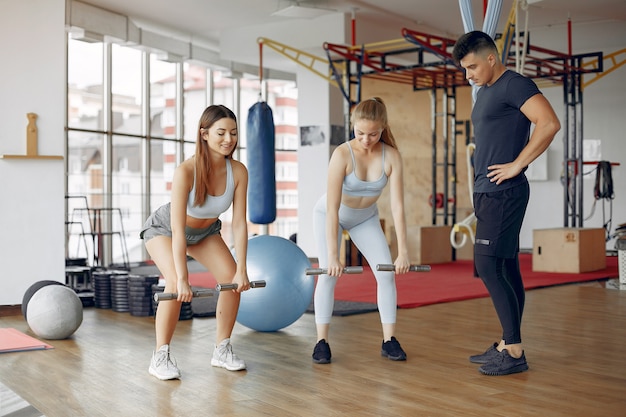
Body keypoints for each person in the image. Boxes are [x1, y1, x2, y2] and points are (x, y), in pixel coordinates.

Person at [451, 31, 561, 376]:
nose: (468, 74)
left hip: (505, 192)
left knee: (486, 266)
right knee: (507, 266)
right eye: (464, 68)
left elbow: (549, 123)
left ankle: (514, 350)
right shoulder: (485, 92)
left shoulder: (515, 84)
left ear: (490, 58)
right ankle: (506, 341)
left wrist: (517, 164)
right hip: (488, 192)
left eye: (471, 67)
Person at [140, 104, 251, 380]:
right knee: (175, 283)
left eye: (234, 133)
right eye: (221, 133)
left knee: (230, 279)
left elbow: (238, 223)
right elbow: (177, 229)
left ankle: (222, 349)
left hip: (205, 233)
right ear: (204, 134)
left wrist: (242, 268)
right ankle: (160, 355)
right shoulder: (186, 171)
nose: (229, 139)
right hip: (165, 230)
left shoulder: (238, 171)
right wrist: (184, 277)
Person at [312, 97, 411, 364]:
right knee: (327, 275)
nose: (366, 140)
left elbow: (398, 208)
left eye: (373, 134)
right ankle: (322, 341)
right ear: (352, 126)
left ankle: (389, 340)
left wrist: (403, 252)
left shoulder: (391, 156)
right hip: (330, 214)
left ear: (383, 128)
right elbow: (332, 209)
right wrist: (333, 256)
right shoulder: (342, 154)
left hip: (365, 218)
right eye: (360, 133)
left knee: (386, 273)